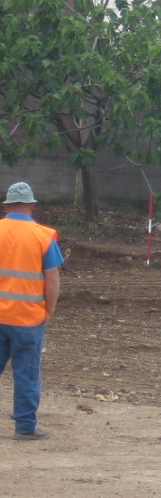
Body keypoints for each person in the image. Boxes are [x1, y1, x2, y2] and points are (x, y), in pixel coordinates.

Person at [0, 182, 64, 440]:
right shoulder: (44, 236)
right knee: (26, 374)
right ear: (32, 205)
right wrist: (48, 311)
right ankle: (25, 427)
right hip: (28, 319)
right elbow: (53, 280)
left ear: (5, 206)